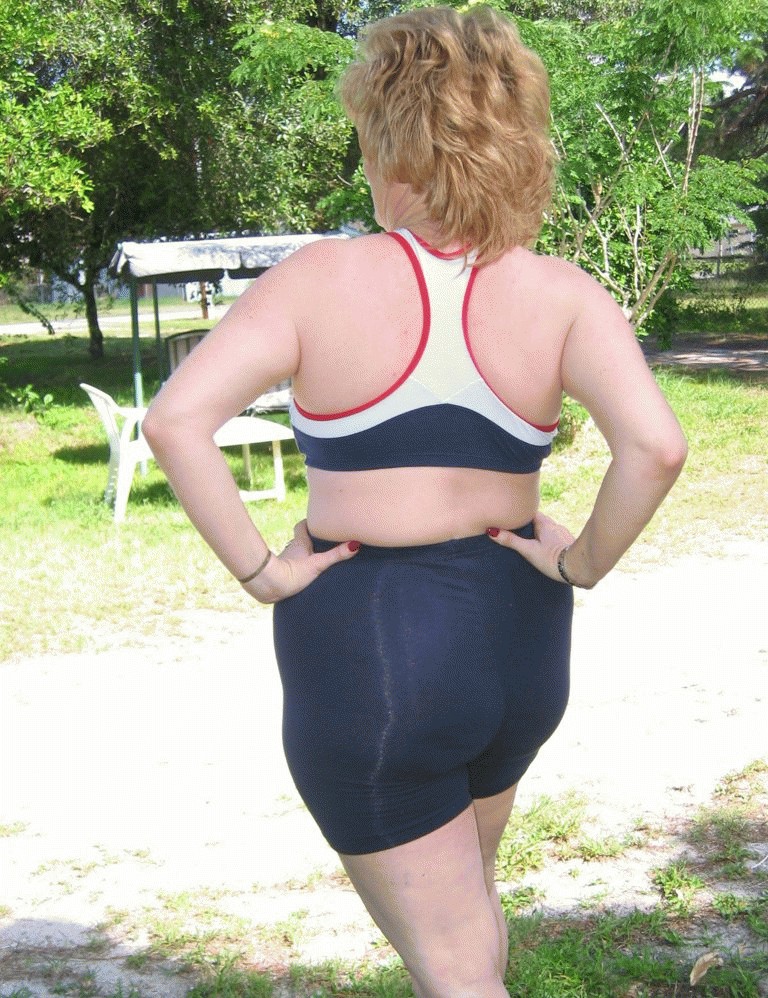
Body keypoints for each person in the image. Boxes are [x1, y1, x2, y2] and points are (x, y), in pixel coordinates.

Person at [142, 6, 687, 995]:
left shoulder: (321, 280)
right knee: (470, 916)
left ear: (387, 134)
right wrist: (580, 562)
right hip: (521, 636)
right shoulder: (563, 292)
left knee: (456, 964)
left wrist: (263, 572)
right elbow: (655, 447)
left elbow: (177, 421)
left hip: (377, 651)